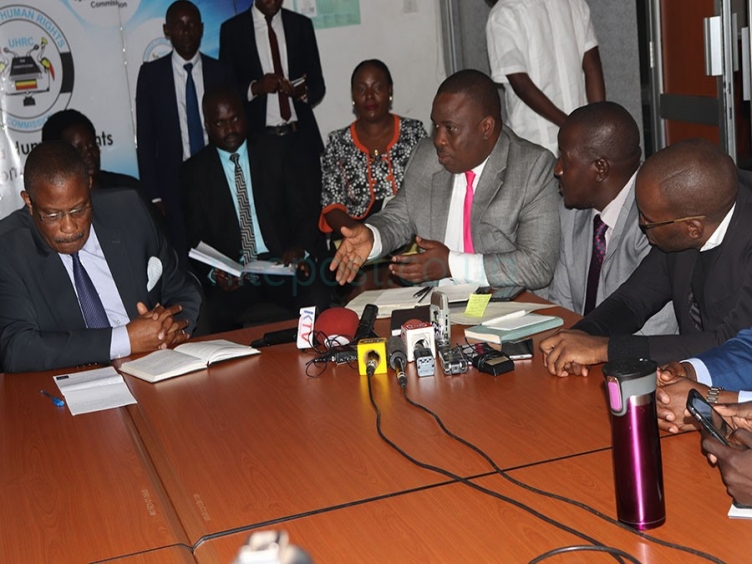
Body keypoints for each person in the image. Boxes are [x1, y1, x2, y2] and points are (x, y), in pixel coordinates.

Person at [540, 138, 752, 377]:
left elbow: (732, 345)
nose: (640, 224)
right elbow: (633, 300)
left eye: (647, 221)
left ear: (693, 228)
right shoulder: (689, 215)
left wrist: (604, 350)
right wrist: (582, 335)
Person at [330, 69, 560, 289]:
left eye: (450, 128)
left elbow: (537, 265)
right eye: (436, 125)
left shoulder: (532, 167)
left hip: (507, 304)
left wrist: (452, 265)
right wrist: (373, 236)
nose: (438, 139)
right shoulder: (426, 156)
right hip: (437, 303)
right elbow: (398, 218)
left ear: (486, 127)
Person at [0, 141, 201, 373]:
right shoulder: (10, 247)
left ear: (89, 185)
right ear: (29, 202)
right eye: (53, 215)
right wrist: (125, 340)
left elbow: (182, 289)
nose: (69, 226)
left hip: (153, 366)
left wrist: (169, 331)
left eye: (79, 209)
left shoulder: (129, 209)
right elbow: (16, 348)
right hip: (74, 380)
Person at [181, 86, 328, 334]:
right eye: (219, 123)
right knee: (206, 314)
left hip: (281, 265)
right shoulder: (194, 172)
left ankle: (310, 352)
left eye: (235, 119)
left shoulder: (277, 151)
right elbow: (196, 236)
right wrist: (215, 273)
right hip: (235, 277)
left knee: (317, 293)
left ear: (245, 115)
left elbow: (304, 211)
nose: (230, 129)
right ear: (207, 126)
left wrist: (299, 249)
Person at [544, 101, 677, 335]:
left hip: (633, 354)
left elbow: (655, 332)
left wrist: (586, 348)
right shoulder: (571, 211)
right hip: (577, 348)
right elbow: (561, 308)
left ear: (600, 168)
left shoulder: (656, 222)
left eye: (565, 158)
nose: (558, 170)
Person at [136, 0, 235, 257]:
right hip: (173, 183)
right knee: (182, 253)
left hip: (217, 176)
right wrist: (154, 196)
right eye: (179, 25)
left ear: (201, 28)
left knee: (223, 249)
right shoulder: (151, 75)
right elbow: (145, 140)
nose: (186, 31)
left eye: (192, 25)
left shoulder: (221, 71)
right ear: (166, 30)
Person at [219, 0, 326, 222]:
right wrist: (255, 88)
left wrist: (302, 92)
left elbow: (318, 84)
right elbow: (226, 92)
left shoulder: (300, 25)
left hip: (300, 139)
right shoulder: (233, 31)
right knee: (271, 219)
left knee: (311, 217)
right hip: (260, 142)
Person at [319, 59, 426, 236]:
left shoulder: (414, 132)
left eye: (377, 88)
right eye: (361, 90)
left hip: (412, 233)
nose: (369, 96)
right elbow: (331, 205)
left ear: (390, 90)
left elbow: (429, 189)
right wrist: (360, 235)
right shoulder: (338, 142)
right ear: (353, 96)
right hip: (357, 233)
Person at [486, 0, 605, 155]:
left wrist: (572, 126)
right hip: (582, 138)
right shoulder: (574, 3)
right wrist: (598, 124)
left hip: (534, 141)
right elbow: (592, 65)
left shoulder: (504, 13)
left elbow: (521, 85)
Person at [42, 109, 141, 192]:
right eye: (78, 149)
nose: (89, 154)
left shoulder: (127, 189)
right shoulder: (52, 201)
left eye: (91, 145)